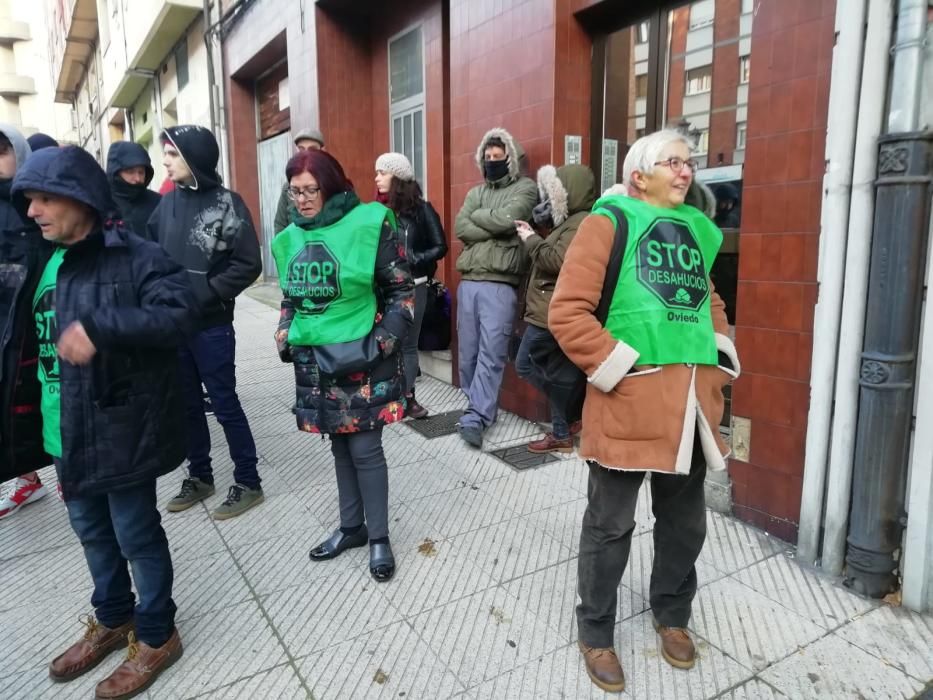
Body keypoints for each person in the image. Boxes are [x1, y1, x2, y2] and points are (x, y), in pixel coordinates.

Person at [548, 129, 740, 693]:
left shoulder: (691, 232)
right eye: (673, 162)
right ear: (639, 174)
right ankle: (596, 631)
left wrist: (720, 354)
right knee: (611, 527)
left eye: (690, 163)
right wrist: (620, 369)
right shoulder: (607, 223)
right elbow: (568, 313)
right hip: (629, 401)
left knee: (684, 525)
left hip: (689, 410)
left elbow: (713, 302)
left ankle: (673, 616)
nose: (686, 171)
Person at [4, 145, 189, 698]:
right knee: (90, 534)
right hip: (64, 431)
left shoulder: (135, 255)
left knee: (135, 533)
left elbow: (180, 312)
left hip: (119, 425)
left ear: (80, 197)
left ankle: (157, 633)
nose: (32, 211)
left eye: (43, 198)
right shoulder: (40, 258)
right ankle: (114, 617)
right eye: (27, 199)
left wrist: (104, 328)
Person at [271, 149, 413, 582]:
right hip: (314, 364)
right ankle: (352, 527)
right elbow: (290, 299)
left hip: (364, 360)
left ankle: (379, 538)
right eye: (295, 191)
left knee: (366, 450)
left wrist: (381, 344)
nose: (302, 199)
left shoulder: (370, 225)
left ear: (331, 185)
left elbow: (401, 293)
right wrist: (283, 331)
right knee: (339, 445)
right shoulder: (288, 238)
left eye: (310, 190)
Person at [147, 125, 264, 520]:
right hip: (173, 326)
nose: (165, 161)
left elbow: (248, 263)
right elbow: (150, 257)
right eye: (165, 153)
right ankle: (200, 476)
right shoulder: (165, 206)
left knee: (225, 403)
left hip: (211, 325)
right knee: (186, 405)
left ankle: (249, 480)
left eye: (173, 154)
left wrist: (202, 293)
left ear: (195, 158)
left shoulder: (229, 205)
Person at [454, 127, 537, 448]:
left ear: (510, 159)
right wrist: (492, 222)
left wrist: (483, 220)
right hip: (469, 283)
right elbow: (462, 225)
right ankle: (480, 406)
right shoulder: (475, 192)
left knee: (492, 353)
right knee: (468, 356)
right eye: (487, 157)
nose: (491, 162)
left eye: (498, 157)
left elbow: (510, 221)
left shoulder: (526, 188)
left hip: (500, 285)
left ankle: (477, 415)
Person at [514, 163, 596, 453]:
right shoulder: (571, 222)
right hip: (550, 311)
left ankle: (571, 411)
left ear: (568, 192)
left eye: (554, 192)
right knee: (557, 374)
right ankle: (562, 432)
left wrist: (530, 239)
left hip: (550, 314)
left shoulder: (581, 224)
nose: (549, 198)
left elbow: (557, 261)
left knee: (524, 364)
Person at [374, 152, 447, 418]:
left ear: (398, 178)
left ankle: (406, 399)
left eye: (382, 172)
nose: (377, 178)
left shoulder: (421, 210)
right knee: (385, 344)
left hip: (413, 286)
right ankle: (389, 396)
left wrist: (415, 257)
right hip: (382, 289)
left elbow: (441, 246)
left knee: (407, 345)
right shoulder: (375, 211)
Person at [0, 123, 47, 519]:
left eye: (2, 151)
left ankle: (68, 475)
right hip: (4, 329)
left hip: (42, 327)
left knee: (46, 402)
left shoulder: (38, 201)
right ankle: (27, 479)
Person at [273, 128, 325, 233]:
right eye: (301, 149)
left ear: (322, 151)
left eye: (312, 149)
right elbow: (280, 224)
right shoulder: (288, 187)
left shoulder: (331, 182)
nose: (306, 154)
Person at [107, 141, 161, 240]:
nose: (137, 178)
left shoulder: (158, 202)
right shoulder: (100, 203)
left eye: (141, 172)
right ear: (116, 172)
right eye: (130, 171)